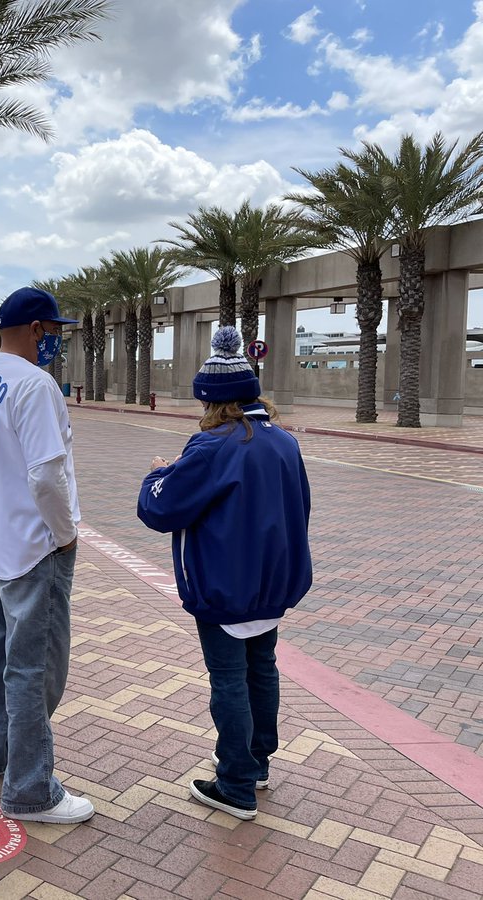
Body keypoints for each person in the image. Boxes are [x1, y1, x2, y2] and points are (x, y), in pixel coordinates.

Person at [137, 326, 312, 821]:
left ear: (212, 402)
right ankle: (256, 761)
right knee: (262, 668)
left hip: (224, 584)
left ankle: (234, 782)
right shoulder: (282, 441)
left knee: (229, 679)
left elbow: (161, 510)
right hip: (272, 583)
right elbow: (301, 506)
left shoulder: (211, 445)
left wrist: (157, 473)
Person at [0, 286, 94, 825]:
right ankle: (31, 790)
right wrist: (65, 534)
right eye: (55, 331)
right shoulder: (36, 385)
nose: (57, 341)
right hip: (33, 547)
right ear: (38, 329)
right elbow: (46, 473)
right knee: (32, 669)